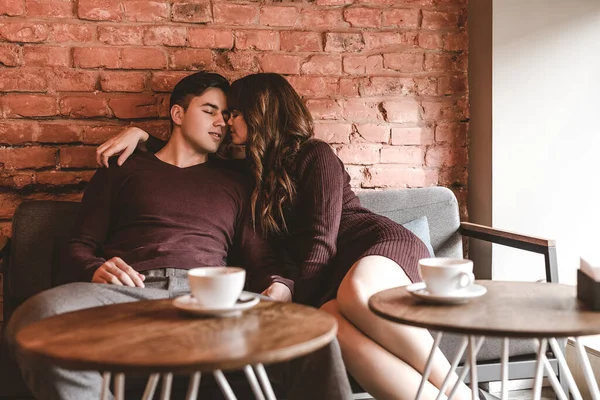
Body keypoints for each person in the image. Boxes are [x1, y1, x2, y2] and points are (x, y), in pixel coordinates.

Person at [96, 72, 475, 400]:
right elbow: (182, 164)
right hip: (331, 280)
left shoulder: (315, 155)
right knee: (331, 328)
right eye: (222, 114)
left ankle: (461, 391)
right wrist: (142, 135)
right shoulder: (248, 172)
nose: (228, 123)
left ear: (262, 112)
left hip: (374, 246)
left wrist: (292, 309)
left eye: (235, 113)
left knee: (356, 293)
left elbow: (322, 243)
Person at [5, 72, 352, 400]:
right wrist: (94, 268)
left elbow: (260, 255)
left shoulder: (240, 181)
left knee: (318, 337)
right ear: (178, 113)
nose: (222, 122)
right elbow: (79, 244)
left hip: (208, 298)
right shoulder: (123, 167)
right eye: (210, 111)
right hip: (128, 292)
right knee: (35, 317)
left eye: (228, 114)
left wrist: (282, 283)